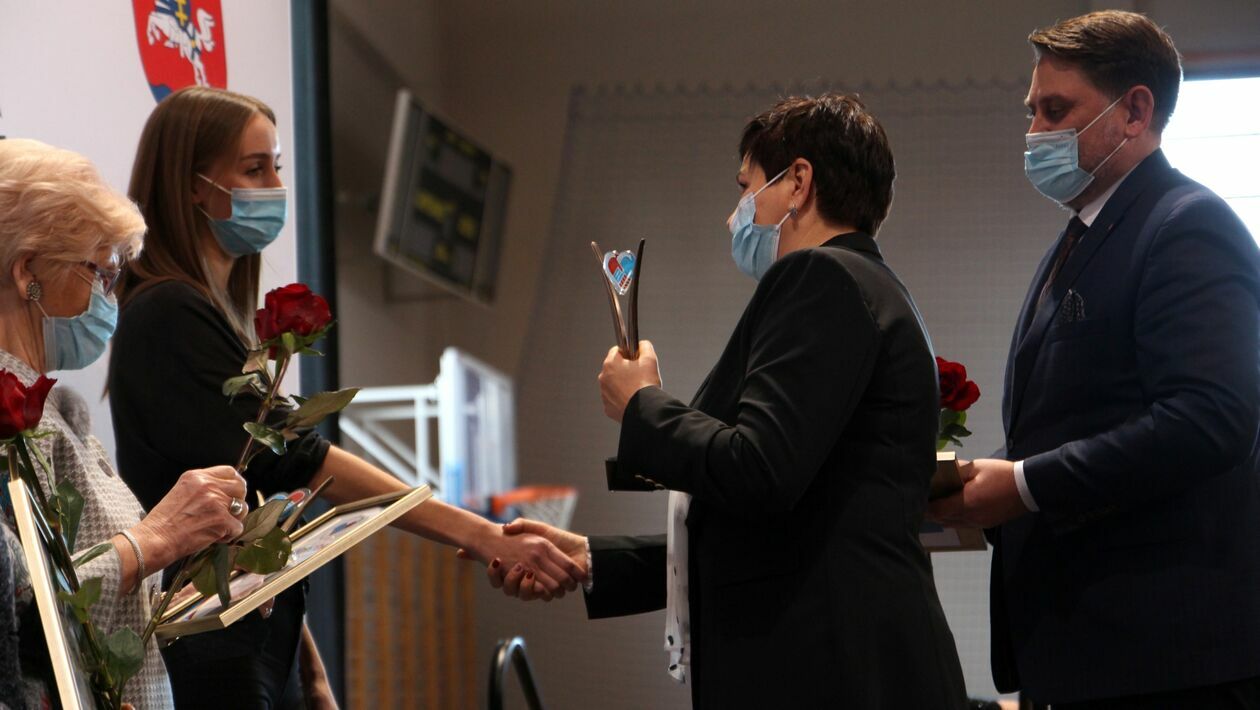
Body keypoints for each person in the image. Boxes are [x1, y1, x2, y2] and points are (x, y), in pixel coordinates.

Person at [106, 86, 584, 709]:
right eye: (255, 169)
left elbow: (254, 516)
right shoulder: (169, 312)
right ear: (196, 186)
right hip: (212, 650)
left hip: (255, 641)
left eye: (277, 165)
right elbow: (302, 462)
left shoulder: (210, 315)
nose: (277, 185)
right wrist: (486, 537)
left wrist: (310, 671)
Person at [485, 93, 968, 709]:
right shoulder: (870, 286)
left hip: (832, 668)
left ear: (798, 182)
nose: (733, 216)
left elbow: (757, 468)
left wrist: (641, 404)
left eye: (746, 188)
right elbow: (783, 530)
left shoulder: (819, 276)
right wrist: (591, 559)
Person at [928, 11, 1260, 709]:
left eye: (1055, 111)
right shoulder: (1085, 235)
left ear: (1134, 111)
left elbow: (1211, 419)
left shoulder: (1186, 225)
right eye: (1031, 112)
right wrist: (976, 484)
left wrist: (1024, 485)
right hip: (1088, 653)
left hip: (1164, 659)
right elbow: (1077, 420)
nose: (1034, 133)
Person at [0, 138, 260, 708]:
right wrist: (157, 536)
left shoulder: (59, 412)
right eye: (100, 272)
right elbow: (22, 616)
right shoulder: (9, 425)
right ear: (27, 273)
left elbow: (96, 600)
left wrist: (194, 591)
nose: (110, 299)